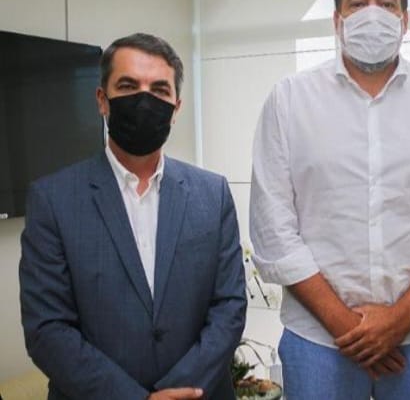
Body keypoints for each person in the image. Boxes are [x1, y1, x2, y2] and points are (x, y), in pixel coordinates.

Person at [249, 0, 410, 399]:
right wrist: (351, 329)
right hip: (318, 343)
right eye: (358, 3)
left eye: (386, 2)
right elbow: (273, 231)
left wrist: (398, 322)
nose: (372, 14)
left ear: (404, 20)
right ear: (337, 20)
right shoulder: (289, 100)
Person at [19, 33, 247, 400]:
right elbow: (47, 329)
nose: (144, 100)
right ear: (102, 100)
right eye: (128, 86)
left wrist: (179, 391)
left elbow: (230, 306)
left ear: (176, 107)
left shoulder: (212, 193)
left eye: (159, 90)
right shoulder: (52, 200)